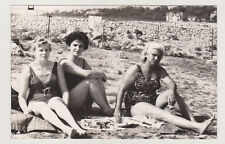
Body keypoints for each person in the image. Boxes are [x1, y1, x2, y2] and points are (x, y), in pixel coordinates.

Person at [113, 42, 214, 134]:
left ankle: (193, 121)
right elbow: (122, 89)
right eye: (154, 55)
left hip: (152, 101)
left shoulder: (159, 69)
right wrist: (117, 110)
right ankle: (197, 127)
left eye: (159, 57)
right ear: (146, 54)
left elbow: (171, 83)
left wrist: (171, 90)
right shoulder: (136, 69)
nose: (156, 58)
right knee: (164, 115)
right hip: (136, 106)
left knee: (172, 94)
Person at [17, 37, 86, 138]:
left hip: (53, 99)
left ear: (50, 51)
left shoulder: (56, 66)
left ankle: (77, 127)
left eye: (47, 50)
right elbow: (21, 96)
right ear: (34, 52)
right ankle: (66, 129)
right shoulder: (28, 69)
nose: (44, 53)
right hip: (35, 102)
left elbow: (64, 90)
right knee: (42, 106)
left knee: (56, 102)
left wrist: (65, 101)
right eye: (41, 50)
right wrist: (25, 109)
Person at [59, 31, 113, 116]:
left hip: (81, 101)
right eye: (75, 45)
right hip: (67, 101)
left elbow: (93, 75)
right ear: (69, 46)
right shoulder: (65, 62)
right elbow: (86, 74)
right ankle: (107, 109)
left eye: (81, 46)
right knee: (91, 81)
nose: (78, 48)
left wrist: (99, 75)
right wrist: (102, 74)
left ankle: (106, 107)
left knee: (96, 79)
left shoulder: (83, 61)